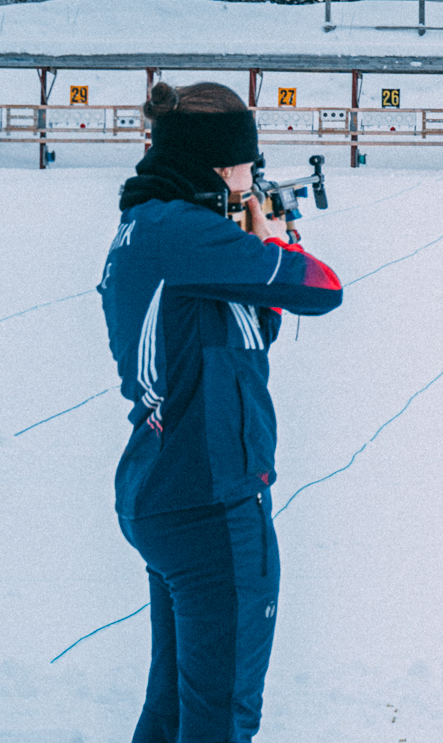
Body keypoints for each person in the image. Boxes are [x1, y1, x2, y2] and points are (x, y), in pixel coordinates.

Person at [99, 81, 344, 743]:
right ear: (215, 164)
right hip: (211, 498)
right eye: (245, 166)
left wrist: (258, 241)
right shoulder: (185, 234)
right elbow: (322, 289)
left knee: (177, 704)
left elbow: (243, 336)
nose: (251, 178)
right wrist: (274, 245)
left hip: (170, 488)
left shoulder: (155, 230)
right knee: (223, 714)